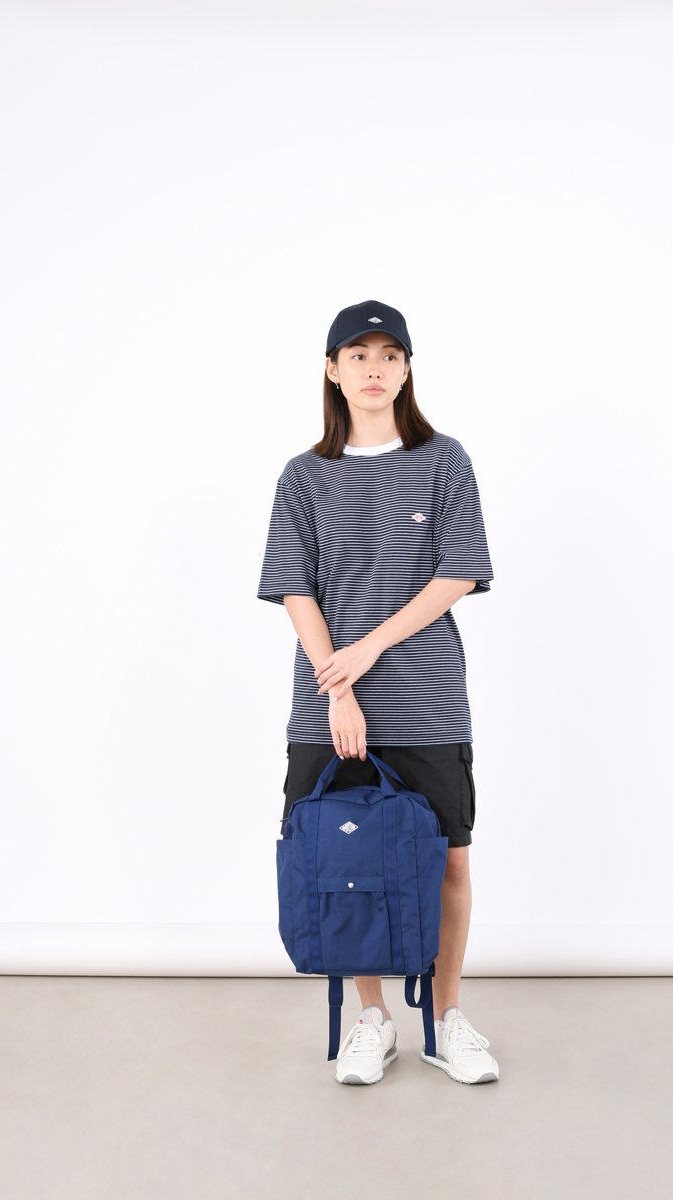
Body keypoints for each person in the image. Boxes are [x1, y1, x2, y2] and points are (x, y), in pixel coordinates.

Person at [256, 299, 499, 1085]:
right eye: (357, 355)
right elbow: (295, 588)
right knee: (345, 859)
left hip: (426, 695)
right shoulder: (304, 476)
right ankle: (373, 1019)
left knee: (449, 860)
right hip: (328, 700)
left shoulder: (444, 461)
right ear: (332, 370)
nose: (373, 368)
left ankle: (446, 1020)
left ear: (406, 369)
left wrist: (367, 649)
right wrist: (338, 685)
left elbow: (457, 572)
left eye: (389, 355)